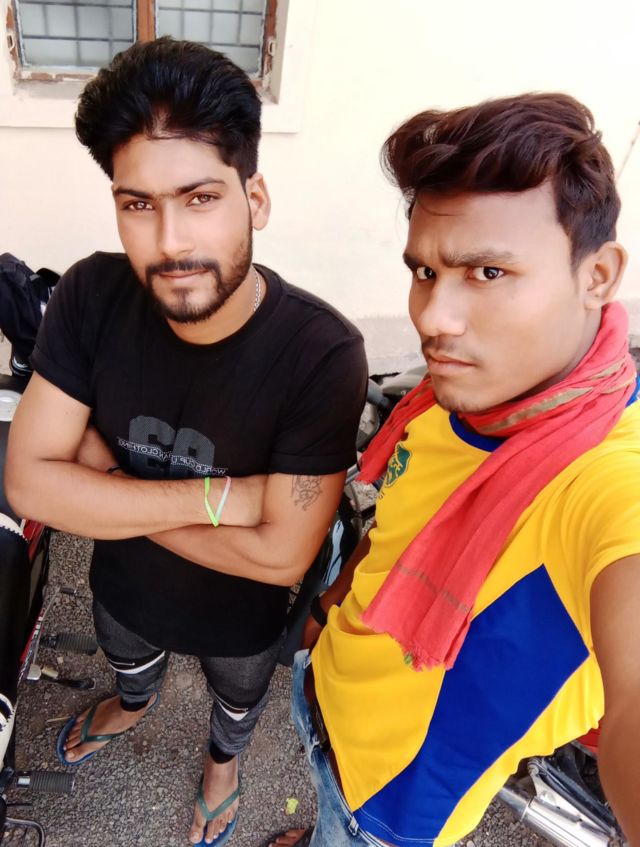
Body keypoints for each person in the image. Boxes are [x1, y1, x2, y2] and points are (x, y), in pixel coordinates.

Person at [5, 37, 367, 847]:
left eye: (199, 197)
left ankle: (223, 770)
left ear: (255, 198)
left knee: (237, 705)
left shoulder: (322, 353)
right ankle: (131, 707)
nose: (169, 241)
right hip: (124, 589)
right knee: (131, 669)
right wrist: (227, 498)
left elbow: (282, 557)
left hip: (242, 617)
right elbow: (29, 483)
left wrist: (102, 484)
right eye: (138, 205)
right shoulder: (92, 293)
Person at [267, 93, 640, 847]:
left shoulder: (603, 479)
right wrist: (331, 609)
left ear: (597, 275)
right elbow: (398, 522)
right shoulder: (468, 394)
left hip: (389, 809)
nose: (433, 318)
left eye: (488, 272)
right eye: (425, 271)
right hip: (325, 690)